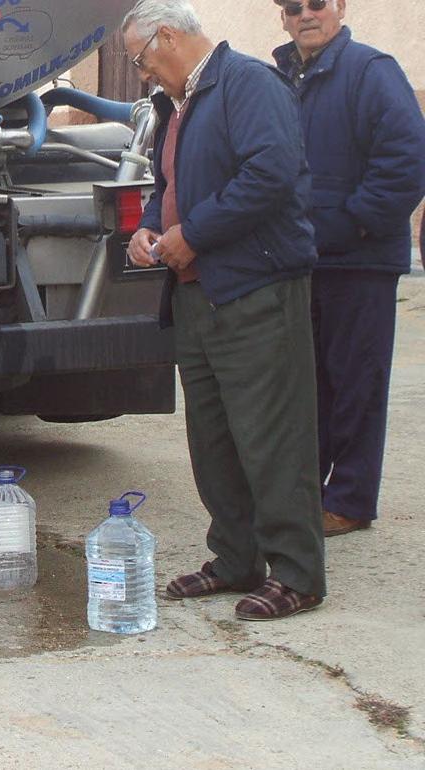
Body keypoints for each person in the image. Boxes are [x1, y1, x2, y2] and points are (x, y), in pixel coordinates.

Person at [121, 0, 327, 620]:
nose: (141, 74)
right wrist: (152, 228)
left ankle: (297, 573)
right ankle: (236, 559)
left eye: (140, 60)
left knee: (272, 437)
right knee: (213, 439)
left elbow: (272, 172)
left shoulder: (248, 83)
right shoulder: (177, 105)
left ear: (165, 37)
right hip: (196, 294)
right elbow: (168, 188)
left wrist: (196, 233)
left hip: (255, 289)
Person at [270, 0, 425, 537]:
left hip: (359, 262)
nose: (305, 15)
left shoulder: (370, 71)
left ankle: (352, 502)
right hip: (303, 259)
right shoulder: (282, 78)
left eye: (317, 3)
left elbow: (407, 159)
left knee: (357, 382)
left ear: (339, 7)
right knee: (308, 386)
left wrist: (355, 223)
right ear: (281, 16)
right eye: (293, 7)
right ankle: (310, 495)